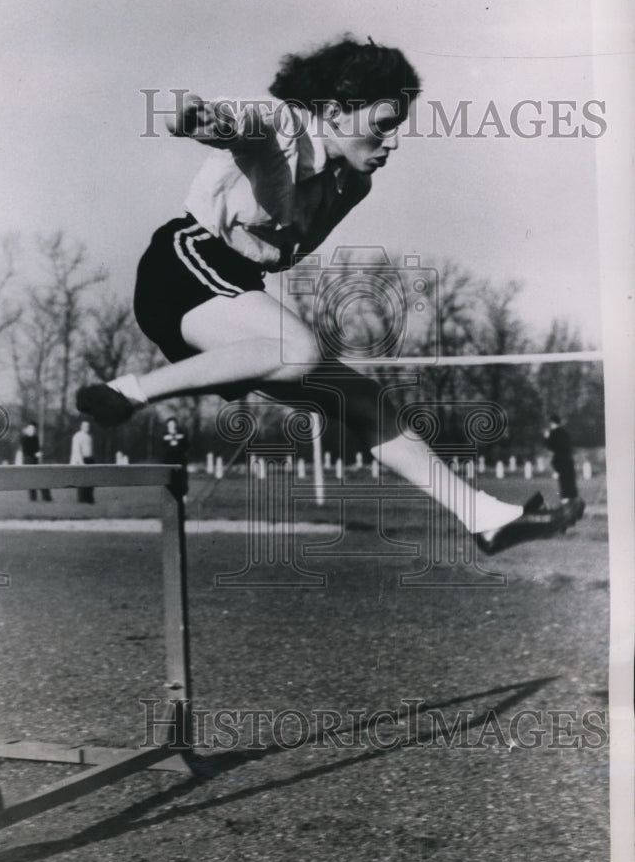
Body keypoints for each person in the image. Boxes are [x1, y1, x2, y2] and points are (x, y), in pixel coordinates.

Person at [77, 35, 571, 554]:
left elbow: (277, 249)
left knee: (364, 403)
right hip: (183, 262)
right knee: (298, 350)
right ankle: (128, 391)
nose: (392, 143)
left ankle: (484, 517)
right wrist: (203, 119)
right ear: (334, 111)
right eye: (382, 125)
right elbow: (239, 122)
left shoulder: (353, 185)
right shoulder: (285, 125)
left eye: (397, 129)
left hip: (234, 286)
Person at [544, 414, 584, 520]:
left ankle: (567, 513)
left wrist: (546, 437)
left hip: (561, 463)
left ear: (552, 423)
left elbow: (551, 447)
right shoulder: (565, 433)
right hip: (568, 463)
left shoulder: (554, 433)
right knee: (571, 487)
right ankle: (576, 510)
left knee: (564, 488)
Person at [20, 421, 53, 502]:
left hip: (35, 461)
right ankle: (33, 498)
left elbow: (38, 449)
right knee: (32, 480)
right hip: (28, 461)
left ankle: (47, 497)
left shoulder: (36, 438)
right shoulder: (24, 439)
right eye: (31, 429)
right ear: (27, 429)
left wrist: (39, 453)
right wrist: (35, 454)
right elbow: (25, 452)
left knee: (42, 478)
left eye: (34, 429)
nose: (33, 430)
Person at [162, 416, 189, 496]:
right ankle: (170, 494)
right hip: (168, 461)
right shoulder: (164, 435)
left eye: (173, 424)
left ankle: (183, 494)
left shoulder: (182, 434)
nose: (171, 426)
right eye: (170, 424)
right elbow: (161, 447)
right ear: (167, 426)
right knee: (168, 478)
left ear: (176, 425)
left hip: (180, 460)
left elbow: (186, 446)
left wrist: (177, 439)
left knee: (182, 479)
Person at [70, 419, 96, 504]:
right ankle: (81, 499)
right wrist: (81, 462)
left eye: (88, 426)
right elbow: (76, 450)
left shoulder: (89, 436)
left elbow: (90, 449)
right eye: (85, 426)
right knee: (82, 480)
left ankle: (89, 498)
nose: (87, 427)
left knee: (91, 480)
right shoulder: (78, 436)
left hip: (89, 459)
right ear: (81, 427)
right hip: (81, 460)